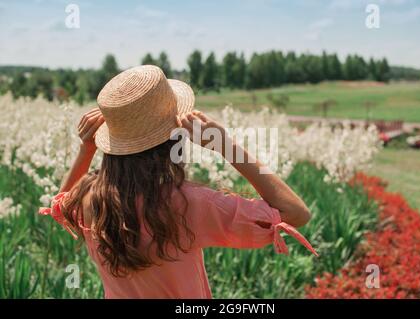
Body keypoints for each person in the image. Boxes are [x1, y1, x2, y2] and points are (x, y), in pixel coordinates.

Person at [39, 65, 317, 299]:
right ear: (174, 136)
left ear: (111, 142)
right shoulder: (189, 203)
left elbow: (59, 208)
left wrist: (86, 150)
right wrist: (226, 146)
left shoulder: (90, 198)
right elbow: (296, 214)